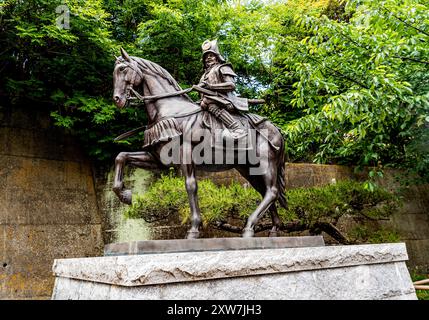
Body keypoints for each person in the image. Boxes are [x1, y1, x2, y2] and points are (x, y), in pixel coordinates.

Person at [197, 39, 248, 139]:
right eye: (206, 57)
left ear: (217, 57)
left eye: (211, 55)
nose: (208, 58)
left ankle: (236, 128)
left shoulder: (223, 68)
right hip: (206, 101)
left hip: (225, 99)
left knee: (209, 102)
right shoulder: (204, 75)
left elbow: (231, 85)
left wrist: (211, 87)